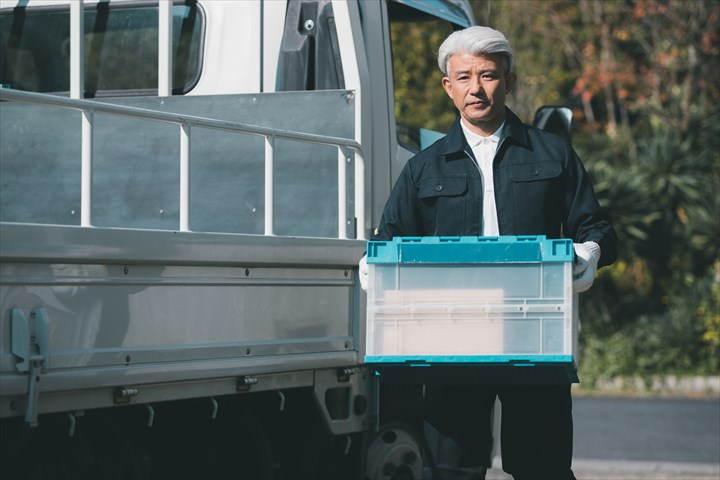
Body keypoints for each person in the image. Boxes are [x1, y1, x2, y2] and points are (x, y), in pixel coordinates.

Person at [359, 26, 617, 479]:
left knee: (544, 469)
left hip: (534, 331)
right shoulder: (424, 167)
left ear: (509, 82)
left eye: (488, 75)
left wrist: (586, 254)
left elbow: (596, 227)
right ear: (448, 86)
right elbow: (389, 240)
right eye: (463, 77)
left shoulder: (553, 153)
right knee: (454, 469)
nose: (476, 88)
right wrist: (374, 267)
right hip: (450, 337)